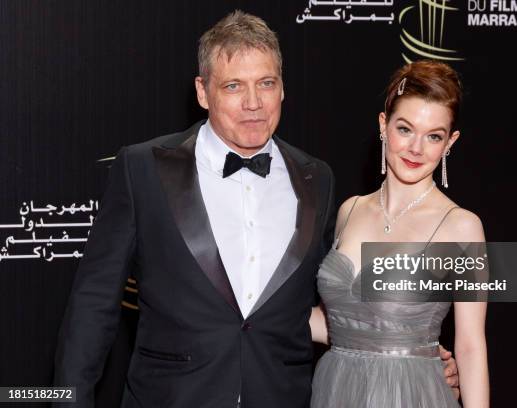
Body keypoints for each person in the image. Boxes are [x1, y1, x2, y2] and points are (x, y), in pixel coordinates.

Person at [53, 11, 458, 408]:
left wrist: (409, 352)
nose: (253, 103)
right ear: (201, 91)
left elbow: (323, 308)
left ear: (282, 88)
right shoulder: (143, 169)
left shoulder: (317, 178)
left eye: (266, 83)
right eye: (233, 86)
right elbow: (93, 304)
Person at [309, 60, 488, 407]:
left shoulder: (461, 226)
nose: (416, 148)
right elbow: (333, 322)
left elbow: (470, 346)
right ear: (383, 125)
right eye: (405, 129)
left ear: (450, 142)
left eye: (433, 135)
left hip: (411, 396)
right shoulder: (351, 210)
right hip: (336, 391)